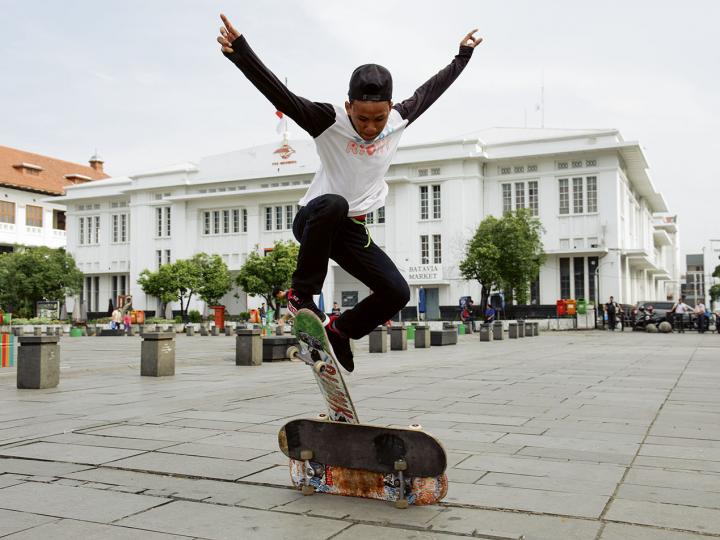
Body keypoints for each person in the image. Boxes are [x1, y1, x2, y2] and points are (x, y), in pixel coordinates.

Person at [218, 14, 482, 372]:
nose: (371, 128)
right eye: (362, 119)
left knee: (397, 293)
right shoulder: (327, 120)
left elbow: (431, 90)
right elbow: (281, 95)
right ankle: (301, 296)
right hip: (314, 219)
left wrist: (462, 57)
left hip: (352, 231)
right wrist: (241, 53)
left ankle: (341, 332)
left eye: (378, 118)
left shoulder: (399, 118)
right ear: (348, 108)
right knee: (334, 203)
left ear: (389, 108)